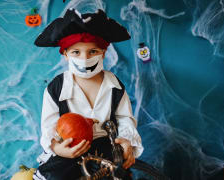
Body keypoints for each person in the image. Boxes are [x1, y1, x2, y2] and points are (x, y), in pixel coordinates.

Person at [33, 8, 144, 180]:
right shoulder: (56, 88)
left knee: (114, 174)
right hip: (71, 147)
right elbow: (49, 125)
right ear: (66, 55)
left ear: (104, 53)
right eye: (76, 52)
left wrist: (126, 140)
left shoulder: (114, 86)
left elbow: (124, 118)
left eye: (93, 51)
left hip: (107, 148)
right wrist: (57, 148)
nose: (84, 59)